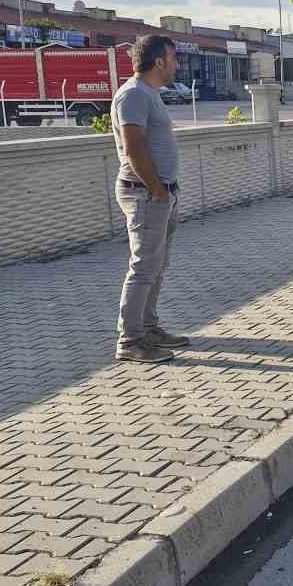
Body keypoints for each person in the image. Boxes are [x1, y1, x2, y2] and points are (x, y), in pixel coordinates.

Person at [111, 35, 189, 363]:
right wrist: (157, 189)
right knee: (143, 268)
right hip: (145, 194)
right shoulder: (132, 95)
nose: (177, 64)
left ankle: (148, 327)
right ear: (159, 61)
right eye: (173, 58)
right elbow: (134, 149)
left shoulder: (149, 94)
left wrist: (166, 189)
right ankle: (130, 342)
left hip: (161, 192)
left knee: (156, 267)